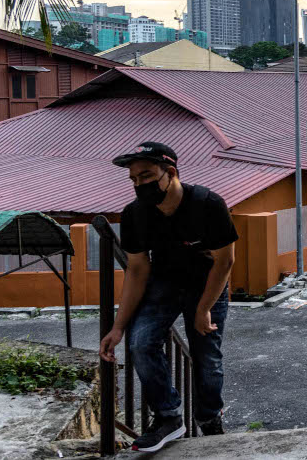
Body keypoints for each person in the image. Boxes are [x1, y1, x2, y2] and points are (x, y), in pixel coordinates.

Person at [98, 142, 239, 453]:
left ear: (171, 172)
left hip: (207, 282)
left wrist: (203, 309)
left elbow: (225, 261)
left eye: (146, 176)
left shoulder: (208, 204)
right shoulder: (135, 215)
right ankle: (168, 417)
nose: (139, 185)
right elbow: (136, 270)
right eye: (134, 179)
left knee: (207, 356)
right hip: (164, 283)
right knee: (140, 342)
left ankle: (209, 419)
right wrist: (118, 327)